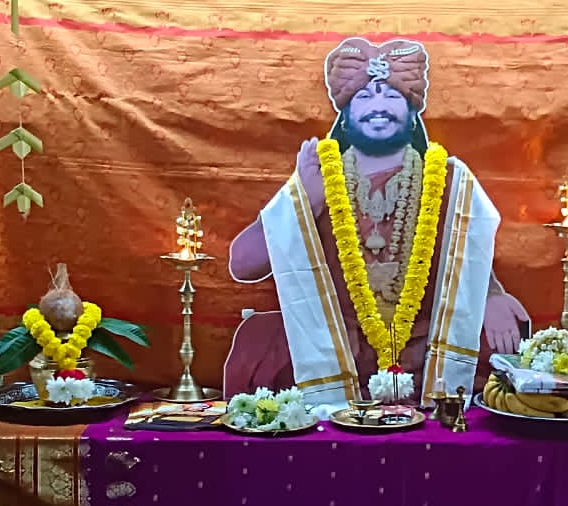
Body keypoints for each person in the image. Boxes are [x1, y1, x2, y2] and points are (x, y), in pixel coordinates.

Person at [225, 37, 529, 409]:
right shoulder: (319, 176)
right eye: (365, 97)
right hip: (338, 341)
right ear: (345, 114)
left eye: (391, 96)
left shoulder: (450, 179)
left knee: (501, 339)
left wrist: (492, 296)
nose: (378, 107)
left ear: (413, 111)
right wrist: (307, 199)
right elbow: (243, 265)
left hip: (424, 338)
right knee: (260, 342)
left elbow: (469, 256)